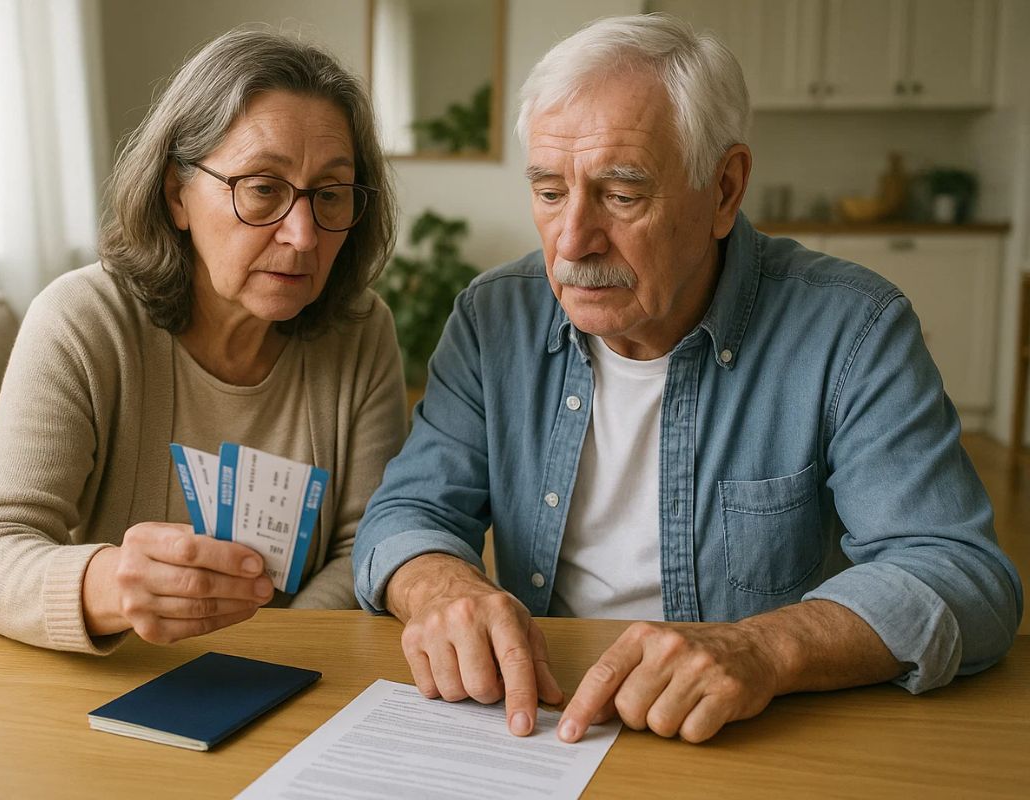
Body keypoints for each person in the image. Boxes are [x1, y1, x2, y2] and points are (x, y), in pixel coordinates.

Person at [353, 14, 1022, 744]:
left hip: (750, 734)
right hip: (544, 723)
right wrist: (443, 588)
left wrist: (764, 648)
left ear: (725, 190)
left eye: (621, 195)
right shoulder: (494, 318)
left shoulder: (852, 328)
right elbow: (407, 512)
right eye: (549, 192)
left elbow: (960, 574)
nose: (572, 241)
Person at [0, 30, 406, 654]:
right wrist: (109, 583)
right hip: (118, 679)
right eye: (263, 189)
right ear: (177, 196)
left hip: (294, 675)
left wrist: (263, 657)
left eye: (329, 195)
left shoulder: (360, 330)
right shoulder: (83, 319)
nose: (303, 235)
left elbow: (365, 545)